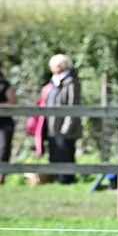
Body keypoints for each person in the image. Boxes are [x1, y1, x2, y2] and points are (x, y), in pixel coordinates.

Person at [44, 54, 82, 184]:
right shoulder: (55, 81)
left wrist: (67, 127)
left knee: (66, 152)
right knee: (55, 151)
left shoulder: (71, 81)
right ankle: (57, 178)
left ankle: (66, 179)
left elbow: (73, 105)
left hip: (65, 126)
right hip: (53, 124)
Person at [0, 67, 16, 185]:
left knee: (3, 149)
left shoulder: (4, 85)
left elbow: (12, 102)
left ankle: (1, 178)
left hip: (4, 123)